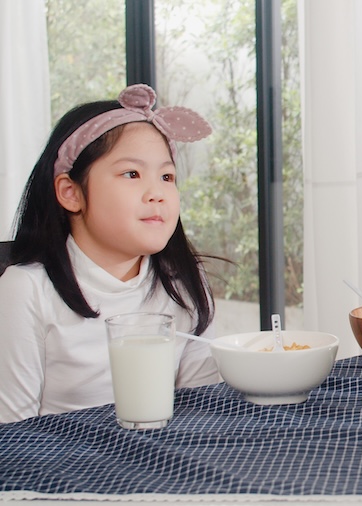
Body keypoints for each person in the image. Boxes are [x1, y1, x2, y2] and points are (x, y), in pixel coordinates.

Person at [0, 84, 221, 423]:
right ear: (71, 193)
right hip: (60, 469)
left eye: (166, 176)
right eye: (131, 173)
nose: (157, 193)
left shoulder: (183, 282)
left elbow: (201, 409)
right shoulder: (26, 290)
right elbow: (11, 436)